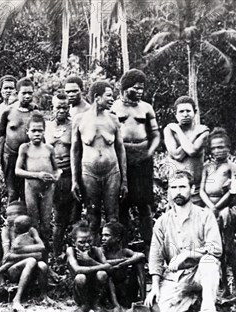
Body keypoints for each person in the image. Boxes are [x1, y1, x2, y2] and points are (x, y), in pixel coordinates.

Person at [145, 171, 222, 312]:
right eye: (173, 187)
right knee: (158, 311)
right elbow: (155, 256)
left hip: (199, 272)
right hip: (176, 276)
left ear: (192, 189)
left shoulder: (205, 215)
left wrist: (188, 254)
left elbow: (215, 248)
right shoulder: (162, 222)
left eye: (182, 186)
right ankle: (193, 299)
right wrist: (154, 287)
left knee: (209, 262)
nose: (178, 191)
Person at [111, 69, 161, 253]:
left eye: (142, 88)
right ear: (125, 87)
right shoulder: (114, 108)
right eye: (136, 88)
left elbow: (156, 135)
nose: (139, 91)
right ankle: (123, 248)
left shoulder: (146, 107)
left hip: (143, 160)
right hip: (122, 159)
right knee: (122, 204)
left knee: (144, 205)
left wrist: (149, 152)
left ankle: (151, 248)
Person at [71, 81, 128, 240]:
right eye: (109, 95)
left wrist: (124, 181)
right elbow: (75, 151)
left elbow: (120, 150)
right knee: (92, 215)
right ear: (97, 97)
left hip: (112, 173)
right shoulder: (80, 120)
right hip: (89, 173)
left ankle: (115, 254)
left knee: (113, 216)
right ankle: (95, 252)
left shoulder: (113, 119)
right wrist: (75, 180)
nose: (112, 99)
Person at [200, 128, 236, 296]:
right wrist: (210, 206)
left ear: (228, 147)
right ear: (210, 149)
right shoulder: (207, 167)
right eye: (215, 148)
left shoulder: (232, 167)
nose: (218, 151)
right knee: (216, 250)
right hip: (209, 209)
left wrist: (217, 208)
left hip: (225, 210)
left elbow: (233, 191)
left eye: (222, 147)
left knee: (229, 248)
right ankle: (224, 287)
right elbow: (202, 190)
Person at [16, 112, 61, 250]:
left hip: (48, 189)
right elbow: (17, 171)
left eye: (40, 131)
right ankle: (35, 252)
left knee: (46, 223)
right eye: (33, 131)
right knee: (33, 222)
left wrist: (56, 176)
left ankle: (46, 252)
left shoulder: (49, 148)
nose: (37, 134)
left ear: (44, 132)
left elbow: (57, 169)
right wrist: (37, 175)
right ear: (27, 132)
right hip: (31, 188)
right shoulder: (25, 148)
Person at [46, 93, 79, 257]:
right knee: (58, 218)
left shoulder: (74, 126)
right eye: (58, 107)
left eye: (65, 107)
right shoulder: (46, 127)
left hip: (71, 175)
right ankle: (57, 254)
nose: (61, 110)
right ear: (52, 107)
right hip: (54, 177)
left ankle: (75, 254)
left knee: (74, 217)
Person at [0, 205, 48, 312]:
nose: (10, 218)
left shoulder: (31, 230)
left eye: (14, 214)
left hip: (31, 266)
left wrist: (20, 249)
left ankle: (44, 296)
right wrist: (33, 255)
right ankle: (17, 299)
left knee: (43, 265)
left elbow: (42, 247)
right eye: (8, 215)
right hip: (13, 269)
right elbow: (7, 256)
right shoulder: (6, 230)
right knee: (32, 260)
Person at [0, 78, 39, 202]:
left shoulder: (35, 113)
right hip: (10, 156)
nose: (27, 96)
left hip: (29, 157)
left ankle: (27, 219)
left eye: (30, 93)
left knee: (28, 191)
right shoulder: (8, 112)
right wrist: (1, 158)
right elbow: (1, 135)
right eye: (24, 93)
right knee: (12, 192)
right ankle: (12, 219)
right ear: (17, 93)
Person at [163, 96, 209, 204]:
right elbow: (177, 155)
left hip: (195, 189)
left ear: (195, 112)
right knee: (175, 218)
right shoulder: (170, 130)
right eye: (181, 111)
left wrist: (178, 130)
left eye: (188, 111)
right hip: (175, 188)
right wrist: (181, 131)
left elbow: (192, 151)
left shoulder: (203, 130)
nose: (185, 114)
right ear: (175, 114)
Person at [100, 221, 146, 312]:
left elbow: (141, 255)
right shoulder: (101, 252)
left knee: (139, 263)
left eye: (107, 235)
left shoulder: (124, 252)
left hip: (125, 292)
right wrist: (120, 261)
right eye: (102, 235)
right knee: (106, 272)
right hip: (109, 294)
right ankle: (116, 306)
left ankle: (144, 300)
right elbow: (103, 263)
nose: (103, 239)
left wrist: (123, 264)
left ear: (117, 238)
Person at [66, 221, 110, 312]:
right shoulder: (71, 251)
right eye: (82, 242)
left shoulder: (96, 250)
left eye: (89, 241)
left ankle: (97, 304)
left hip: (95, 288)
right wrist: (100, 266)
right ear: (74, 242)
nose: (86, 245)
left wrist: (90, 261)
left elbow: (108, 266)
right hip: (80, 290)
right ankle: (84, 304)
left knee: (102, 274)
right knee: (80, 277)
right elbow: (77, 269)